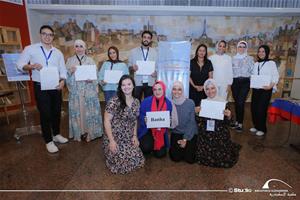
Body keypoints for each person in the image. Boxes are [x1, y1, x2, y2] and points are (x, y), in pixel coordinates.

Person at [17, 25, 68, 153]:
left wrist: (63, 81)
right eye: (44, 34)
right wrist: (31, 66)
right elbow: (19, 65)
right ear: (40, 35)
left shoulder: (58, 53)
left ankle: (56, 134)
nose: (47, 36)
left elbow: (63, 70)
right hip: (40, 86)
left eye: (50, 34)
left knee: (56, 112)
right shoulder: (31, 49)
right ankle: (48, 141)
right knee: (45, 113)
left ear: (53, 37)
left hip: (56, 86)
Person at [103, 75, 145, 174]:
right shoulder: (114, 101)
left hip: (128, 136)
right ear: (120, 87)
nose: (126, 87)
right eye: (123, 85)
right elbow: (106, 121)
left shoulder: (136, 101)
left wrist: (135, 136)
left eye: (129, 84)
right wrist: (111, 141)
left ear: (133, 86)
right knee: (122, 163)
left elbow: (134, 120)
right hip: (115, 136)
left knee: (138, 159)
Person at [195, 79, 241, 168]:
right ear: (205, 90)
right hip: (206, 133)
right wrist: (196, 113)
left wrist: (229, 116)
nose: (210, 91)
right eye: (207, 89)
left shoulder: (223, 103)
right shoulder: (202, 103)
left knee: (222, 159)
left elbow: (230, 123)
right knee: (203, 159)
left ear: (216, 89)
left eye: (212, 88)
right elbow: (198, 120)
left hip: (220, 133)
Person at [66, 39, 103, 142]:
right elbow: (66, 78)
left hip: (88, 91)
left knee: (88, 111)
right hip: (76, 92)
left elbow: (96, 76)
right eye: (76, 46)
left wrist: (92, 79)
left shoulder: (90, 60)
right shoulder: (70, 61)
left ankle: (92, 132)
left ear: (85, 48)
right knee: (79, 111)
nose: (79, 48)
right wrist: (70, 72)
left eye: (81, 46)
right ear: (74, 48)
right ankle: (80, 132)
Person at [250, 45, 279, 137]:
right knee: (254, 108)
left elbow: (275, 76)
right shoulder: (256, 64)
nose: (261, 53)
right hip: (256, 89)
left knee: (261, 109)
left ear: (266, 52)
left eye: (263, 51)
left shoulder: (271, 63)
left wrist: (271, 86)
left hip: (266, 90)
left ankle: (262, 129)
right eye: (259, 51)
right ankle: (256, 126)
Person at [138, 81, 172, 158]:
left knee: (160, 154)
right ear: (152, 91)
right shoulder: (146, 101)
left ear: (163, 90)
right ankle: (151, 142)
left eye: (160, 89)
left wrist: (169, 120)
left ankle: (154, 144)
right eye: (155, 89)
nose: (157, 92)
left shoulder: (168, 103)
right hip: (148, 129)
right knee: (145, 148)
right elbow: (140, 115)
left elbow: (168, 119)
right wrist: (144, 120)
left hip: (161, 130)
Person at [169, 81, 198, 164]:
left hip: (190, 132)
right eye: (174, 89)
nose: (177, 92)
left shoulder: (190, 103)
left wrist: (185, 139)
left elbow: (191, 123)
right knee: (176, 158)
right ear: (171, 91)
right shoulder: (169, 104)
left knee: (190, 159)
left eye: (179, 89)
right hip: (176, 132)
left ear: (183, 91)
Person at [231, 41, 254, 132]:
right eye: (240, 46)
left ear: (246, 48)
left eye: (243, 46)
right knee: (237, 102)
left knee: (240, 102)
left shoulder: (250, 58)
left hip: (245, 82)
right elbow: (230, 72)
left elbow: (253, 71)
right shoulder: (232, 58)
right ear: (237, 47)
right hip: (235, 82)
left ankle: (240, 123)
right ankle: (237, 121)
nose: (241, 48)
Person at [128, 30, 157, 101]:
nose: (146, 39)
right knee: (136, 103)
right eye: (144, 37)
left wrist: (156, 73)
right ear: (142, 38)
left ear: (150, 40)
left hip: (150, 81)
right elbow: (128, 66)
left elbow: (158, 67)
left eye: (148, 38)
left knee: (148, 104)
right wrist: (132, 68)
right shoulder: (133, 52)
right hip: (138, 82)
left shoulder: (155, 52)